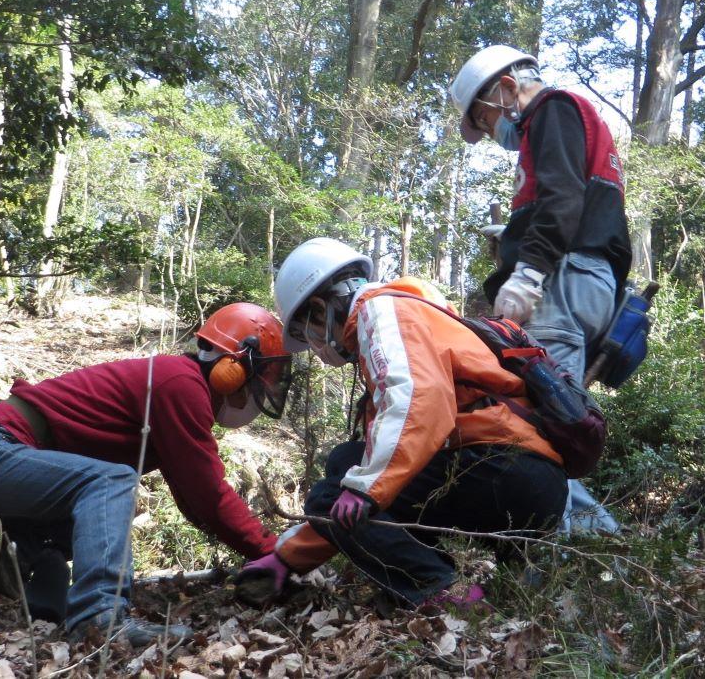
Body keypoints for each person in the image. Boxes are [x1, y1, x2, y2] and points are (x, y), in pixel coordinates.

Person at [237, 237, 569, 610]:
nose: (314, 345)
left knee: (338, 486)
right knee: (349, 465)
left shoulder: (381, 310)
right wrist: (288, 557)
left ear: (320, 307)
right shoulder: (413, 311)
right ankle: (474, 590)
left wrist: (364, 488)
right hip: (520, 477)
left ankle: (447, 594)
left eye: (308, 333)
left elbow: (418, 402)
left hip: (503, 468)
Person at [0, 302, 292, 646]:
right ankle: (99, 618)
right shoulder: (179, 383)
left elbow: (192, 497)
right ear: (233, 368)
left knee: (95, 509)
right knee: (112, 482)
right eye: (259, 381)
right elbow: (208, 493)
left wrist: (261, 554)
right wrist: (275, 550)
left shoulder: (177, 385)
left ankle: (11, 562)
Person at [452, 45, 631, 534]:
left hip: (564, 281)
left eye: (487, 121)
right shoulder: (563, 121)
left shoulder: (551, 109)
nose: (494, 134)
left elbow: (562, 197)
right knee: (554, 414)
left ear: (506, 88)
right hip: (584, 280)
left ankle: (577, 549)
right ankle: (592, 540)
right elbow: (565, 196)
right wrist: (513, 236)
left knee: (548, 425)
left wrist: (528, 270)